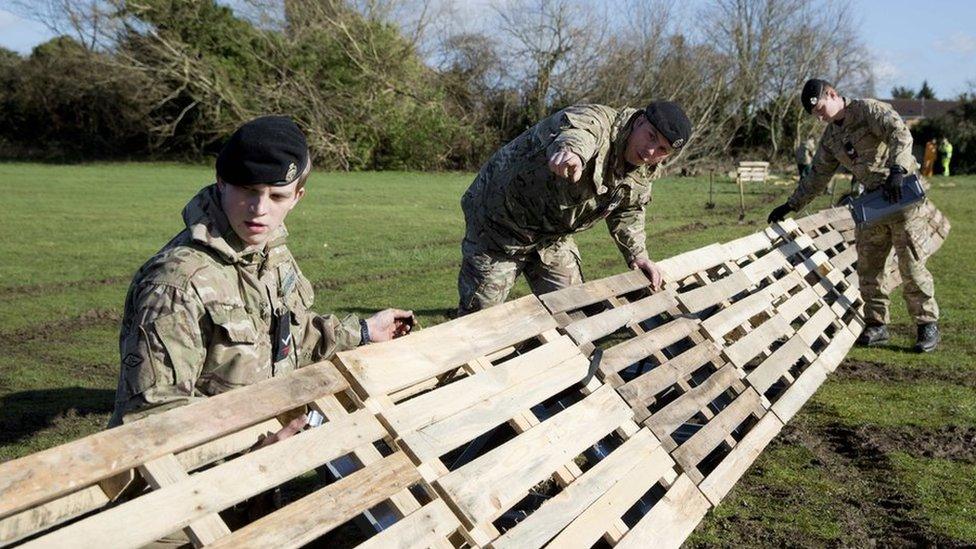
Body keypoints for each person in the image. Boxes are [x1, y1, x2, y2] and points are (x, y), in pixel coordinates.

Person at [110, 116, 415, 429]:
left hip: (268, 452)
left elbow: (290, 337)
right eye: (248, 190)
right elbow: (153, 418)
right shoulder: (177, 284)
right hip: (209, 470)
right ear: (221, 182)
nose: (259, 209)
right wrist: (255, 445)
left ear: (297, 198)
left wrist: (365, 331)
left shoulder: (269, 251)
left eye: (277, 196)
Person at [457, 101, 692, 315]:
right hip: (498, 226)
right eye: (650, 136)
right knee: (480, 320)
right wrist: (573, 154)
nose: (651, 152)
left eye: (662, 150)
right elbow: (578, 134)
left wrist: (638, 255)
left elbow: (628, 210)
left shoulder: (643, 168)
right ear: (639, 121)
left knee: (573, 312)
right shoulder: (598, 121)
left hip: (550, 237)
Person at [768, 79, 940, 352]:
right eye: (815, 114)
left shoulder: (868, 111)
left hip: (901, 195)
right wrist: (791, 205)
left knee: (911, 265)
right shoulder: (830, 139)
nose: (820, 116)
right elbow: (817, 177)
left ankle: (926, 325)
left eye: (821, 108)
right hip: (872, 203)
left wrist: (897, 169)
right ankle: (876, 324)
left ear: (833, 94)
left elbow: (900, 134)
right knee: (869, 268)